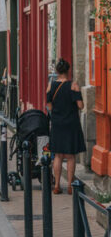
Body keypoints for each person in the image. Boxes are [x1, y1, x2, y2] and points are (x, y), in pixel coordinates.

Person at [47, 58, 85, 195]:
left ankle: (57, 185)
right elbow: (80, 105)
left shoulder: (51, 85)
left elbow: (49, 105)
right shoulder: (73, 85)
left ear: (57, 71)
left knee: (58, 155)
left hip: (57, 123)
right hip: (71, 123)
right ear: (68, 71)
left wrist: (57, 112)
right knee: (70, 156)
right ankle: (70, 185)